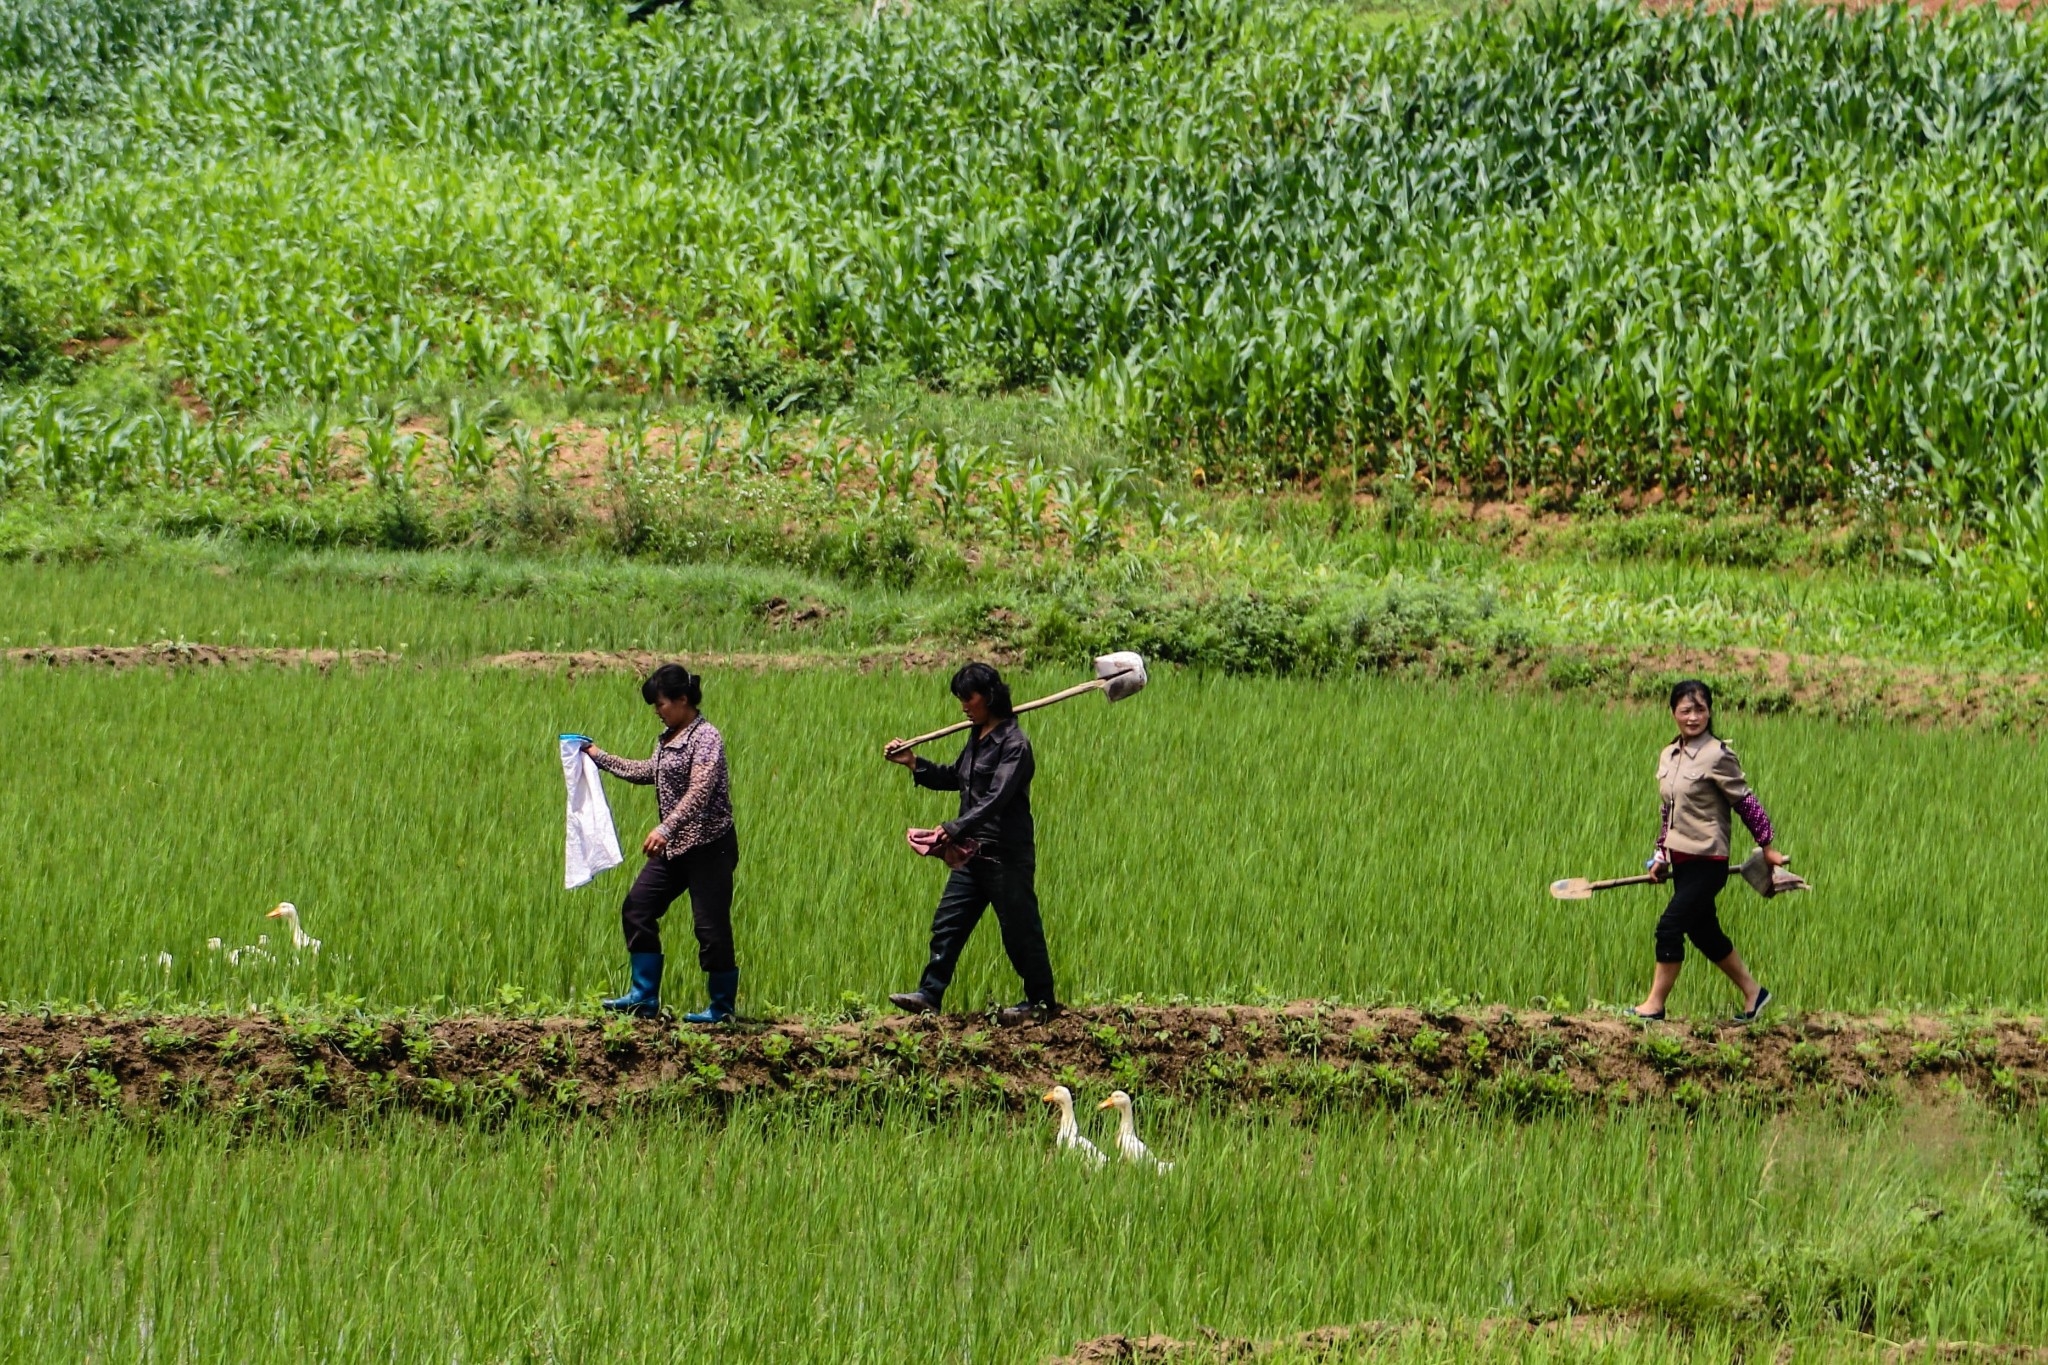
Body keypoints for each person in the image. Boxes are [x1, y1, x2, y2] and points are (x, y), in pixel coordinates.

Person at [885, 662, 1060, 1025]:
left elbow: (996, 798)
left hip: (1004, 855)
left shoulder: (1015, 744)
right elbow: (956, 778)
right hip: (971, 854)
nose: (963, 705)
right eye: (960, 698)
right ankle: (929, 994)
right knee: (948, 923)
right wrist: (913, 763)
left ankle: (1041, 1003)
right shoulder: (977, 735)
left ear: (990, 696)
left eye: (969, 697)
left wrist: (951, 827)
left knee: (1019, 930)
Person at [582, 663, 740, 1023]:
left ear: (683, 700)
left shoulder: (706, 738)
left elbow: (699, 791)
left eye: (661, 704)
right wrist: (598, 757)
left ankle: (721, 1009)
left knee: (710, 927)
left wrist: (665, 828)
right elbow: (647, 772)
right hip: (676, 847)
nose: (657, 711)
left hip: (709, 846)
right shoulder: (668, 739)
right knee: (638, 907)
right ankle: (643, 997)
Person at [1632, 679, 1786, 1022]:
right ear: (1673, 713)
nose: (1692, 717)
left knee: (1669, 928)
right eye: (1685, 710)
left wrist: (1767, 846)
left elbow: (1745, 802)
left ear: (1710, 711)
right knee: (1704, 932)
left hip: (1708, 860)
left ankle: (1654, 1005)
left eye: (1700, 709)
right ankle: (1754, 993)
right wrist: (1661, 855)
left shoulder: (1717, 754)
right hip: (1683, 861)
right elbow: (1668, 812)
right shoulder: (1669, 755)